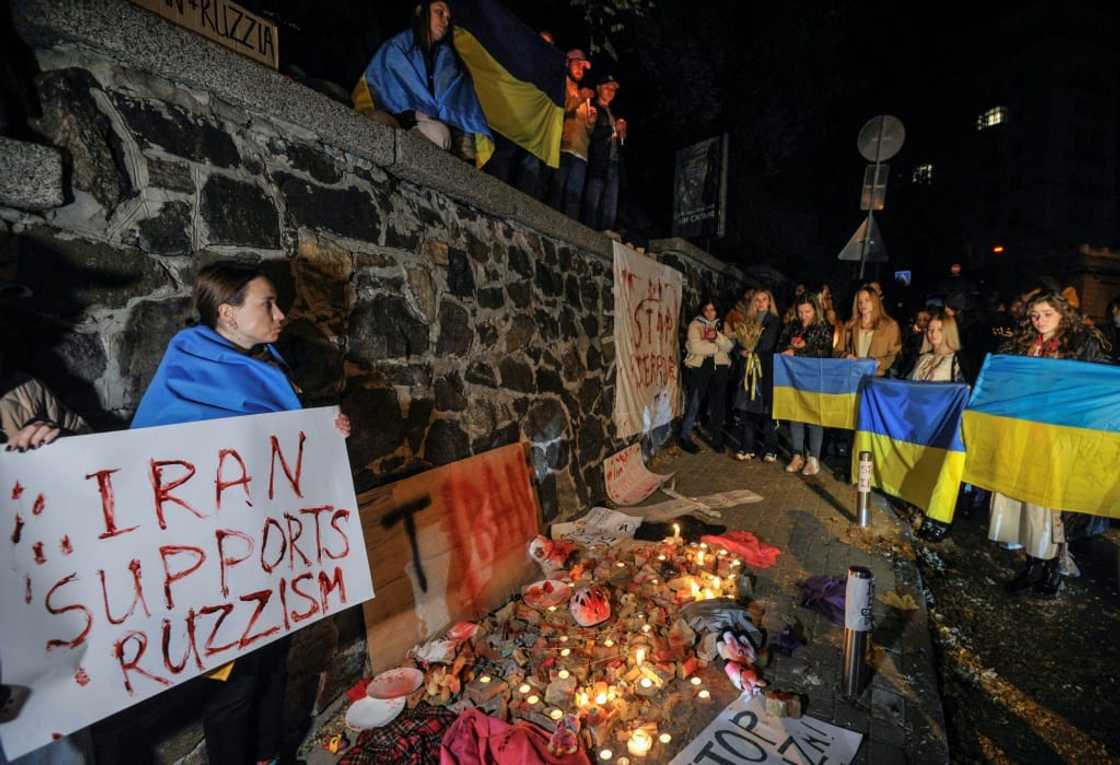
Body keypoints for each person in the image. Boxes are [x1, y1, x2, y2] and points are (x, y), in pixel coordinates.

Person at [117, 262, 351, 765]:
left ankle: (270, 757)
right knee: (234, 685)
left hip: (267, 549)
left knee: (273, 664)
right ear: (227, 312)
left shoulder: (266, 362)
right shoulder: (188, 369)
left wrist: (327, 436)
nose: (281, 314)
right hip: (213, 562)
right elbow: (157, 461)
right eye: (267, 304)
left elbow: (278, 447)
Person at [989, 291, 1109, 597]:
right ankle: (1032, 564)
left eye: (1047, 314)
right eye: (1035, 315)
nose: (1039, 320)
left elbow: (1093, 389)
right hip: (1026, 434)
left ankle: (1053, 569)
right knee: (1025, 501)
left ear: (1062, 313)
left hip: (1060, 437)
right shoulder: (1024, 345)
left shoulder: (1080, 346)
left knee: (1052, 506)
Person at [353, 1, 492, 161]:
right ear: (421, 11)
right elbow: (378, 91)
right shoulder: (397, 47)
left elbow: (462, 108)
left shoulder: (451, 62)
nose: (445, 22)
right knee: (377, 121)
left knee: (440, 134)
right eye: (439, 13)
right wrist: (415, 113)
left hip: (428, 132)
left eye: (448, 18)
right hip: (396, 121)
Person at [906, 311, 967, 542]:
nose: (933, 334)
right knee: (920, 469)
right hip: (919, 424)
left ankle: (938, 521)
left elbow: (963, 393)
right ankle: (919, 511)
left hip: (943, 426)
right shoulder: (923, 357)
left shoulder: (959, 360)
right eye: (930, 329)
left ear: (949, 331)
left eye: (939, 329)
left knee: (940, 474)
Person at [779, 292, 833, 476]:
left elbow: (823, 353)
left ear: (815, 310)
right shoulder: (792, 327)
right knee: (795, 416)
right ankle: (797, 455)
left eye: (807, 312)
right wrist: (787, 348)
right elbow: (780, 345)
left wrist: (799, 353)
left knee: (813, 418)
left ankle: (813, 459)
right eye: (801, 312)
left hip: (814, 380)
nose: (804, 316)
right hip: (793, 380)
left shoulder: (822, 329)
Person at [729, 289, 781, 462]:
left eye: (764, 299)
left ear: (769, 302)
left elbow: (768, 343)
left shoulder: (774, 321)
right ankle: (747, 446)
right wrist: (741, 351)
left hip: (764, 371)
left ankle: (771, 448)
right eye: (757, 300)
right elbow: (738, 341)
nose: (760, 303)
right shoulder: (748, 321)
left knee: (766, 411)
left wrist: (753, 349)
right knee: (746, 409)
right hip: (748, 371)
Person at [679, 298, 733, 454]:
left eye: (713, 309)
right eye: (707, 310)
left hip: (720, 368)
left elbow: (729, 346)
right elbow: (695, 347)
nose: (710, 313)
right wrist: (717, 348)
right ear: (702, 311)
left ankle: (717, 439)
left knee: (718, 405)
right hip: (700, 368)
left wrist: (717, 337)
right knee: (695, 401)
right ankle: (685, 436)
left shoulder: (723, 325)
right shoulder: (695, 325)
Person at [548, 49, 596, 219]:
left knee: (574, 198)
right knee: (557, 191)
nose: (580, 69)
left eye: (583, 67)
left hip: (581, 154)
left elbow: (588, 132)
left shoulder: (582, 93)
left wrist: (590, 122)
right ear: (567, 62)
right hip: (564, 147)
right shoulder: (562, 85)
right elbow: (562, 109)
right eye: (577, 63)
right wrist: (580, 99)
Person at [582, 75, 625, 232]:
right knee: (593, 199)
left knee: (610, 202)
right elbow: (594, 134)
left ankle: (606, 235)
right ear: (599, 88)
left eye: (613, 89)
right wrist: (614, 129)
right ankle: (587, 232)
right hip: (598, 160)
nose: (611, 92)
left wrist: (621, 137)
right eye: (607, 88)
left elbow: (618, 142)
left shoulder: (612, 113)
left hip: (613, 162)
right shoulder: (594, 108)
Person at [840, 285, 901, 376]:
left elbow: (895, 354)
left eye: (867, 300)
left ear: (875, 301)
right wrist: (846, 356)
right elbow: (837, 351)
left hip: (878, 378)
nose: (862, 304)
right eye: (860, 302)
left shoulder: (890, 326)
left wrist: (878, 362)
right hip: (854, 376)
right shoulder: (850, 325)